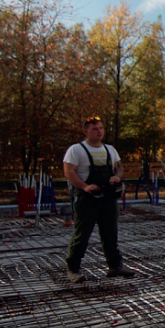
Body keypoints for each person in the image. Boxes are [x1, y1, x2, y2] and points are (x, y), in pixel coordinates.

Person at [62, 116, 132, 283]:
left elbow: (119, 168)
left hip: (107, 197)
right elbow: (69, 172)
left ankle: (115, 266)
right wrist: (84, 186)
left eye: (100, 128)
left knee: (110, 232)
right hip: (87, 198)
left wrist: (116, 177)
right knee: (82, 234)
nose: (99, 131)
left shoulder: (110, 149)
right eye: (94, 129)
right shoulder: (76, 150)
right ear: (86, 131)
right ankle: (73, 269)